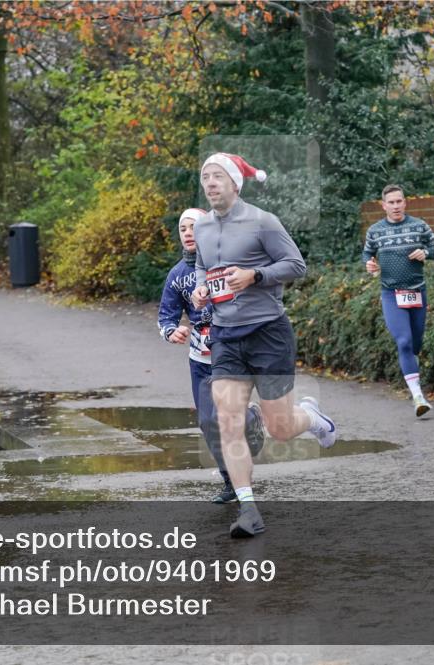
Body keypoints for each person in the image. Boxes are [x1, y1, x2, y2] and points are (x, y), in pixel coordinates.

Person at [191, 153, 338, 538]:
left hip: (268, 333)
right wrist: (202, 288)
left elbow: (296, 265)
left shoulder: (262, 222)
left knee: (281, 428)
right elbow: (202, 267)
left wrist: (254, 275)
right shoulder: (203, 226)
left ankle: (313, 417)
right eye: (205, 177)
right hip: (225, 336)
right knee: (227, 418)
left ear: (236, 183)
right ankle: (248, 509)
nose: (210, 183)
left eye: (218, 176)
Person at [158, 207, 266, 504]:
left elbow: (251, 301)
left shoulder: (227, 266)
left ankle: (250, 417)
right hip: (200, 359)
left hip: (231, 352)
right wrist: (171, 331)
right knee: (208, 422)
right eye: (183, 229)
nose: (188, 233)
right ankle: (230, 480)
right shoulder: (178, 275)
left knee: (229, 415)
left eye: (194, 226)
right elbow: (166, 315)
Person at [363, 184, 434, 417]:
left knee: (416, 343)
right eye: (391, 202)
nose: (396, 206)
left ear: (405, 203)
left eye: (399, 201)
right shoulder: (375, 231)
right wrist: (370, 264)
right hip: (391, 294)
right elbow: (367, 254)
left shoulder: (418, 225)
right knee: (404, 341)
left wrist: (426, 253)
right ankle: (418, 396)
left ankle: (411, 367)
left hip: (417, 291)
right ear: (384, 205)